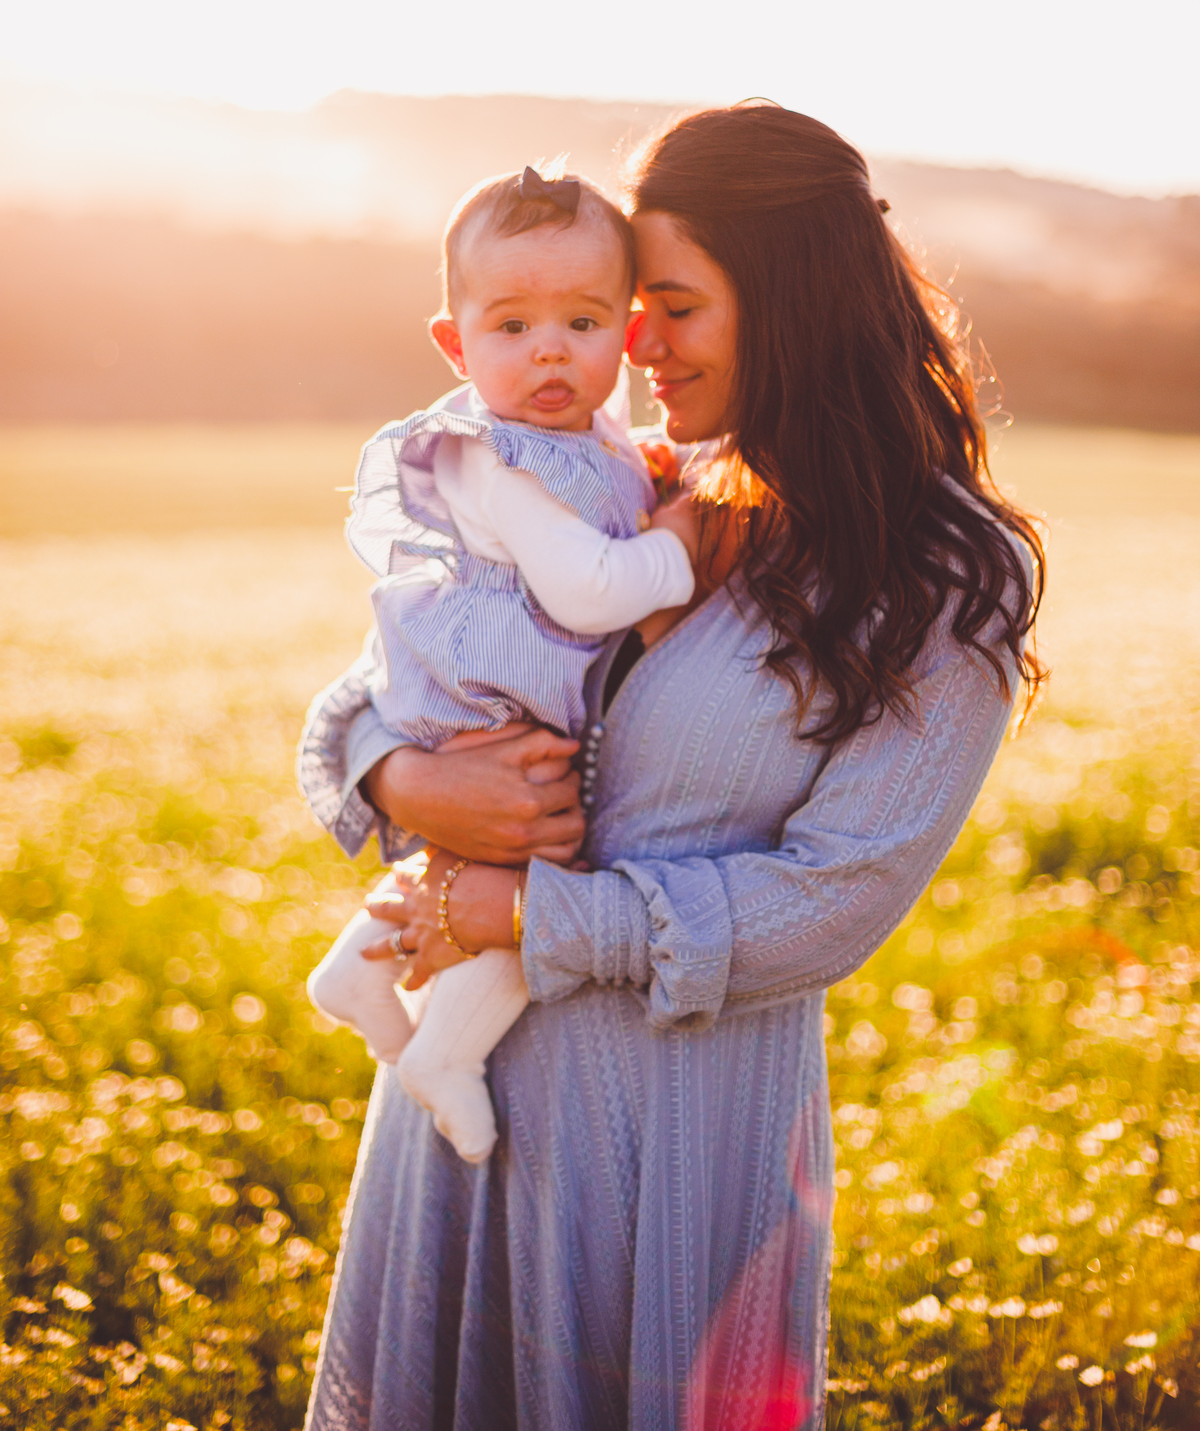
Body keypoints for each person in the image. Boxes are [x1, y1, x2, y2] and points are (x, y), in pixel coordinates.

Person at [296, 103, 1044, 1431]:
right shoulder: (629, 481)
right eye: (630, 306)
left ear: (793, 305)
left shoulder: (943, 572)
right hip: (459, 1086)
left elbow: (832, 903)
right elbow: (388, 682)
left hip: (677, 1129)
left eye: (674, 306)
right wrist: (405, 787)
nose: (630, 344)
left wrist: (534, 912)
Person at [305, 163, 695, 1163]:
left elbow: (601, 494)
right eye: (512, 328)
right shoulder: (499, 456)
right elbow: (590, 593)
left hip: (482, 698)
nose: (550, 352)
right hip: (483, 703)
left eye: (583, 322)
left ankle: (359, 969)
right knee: (540, 882)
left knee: (479, 862)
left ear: (630, 324)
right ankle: (447, 1051)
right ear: (456, 342)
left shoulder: (584, 434)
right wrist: (678, 550)